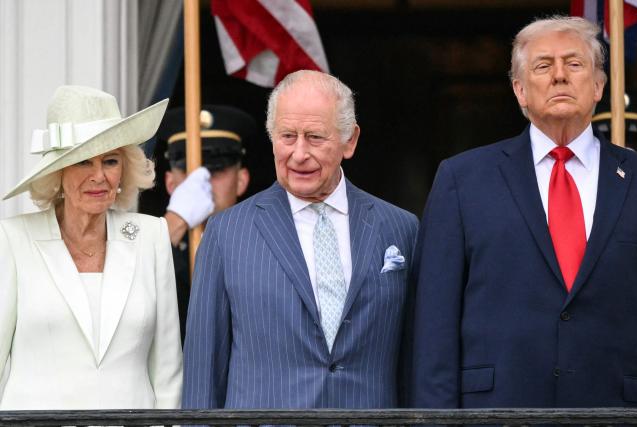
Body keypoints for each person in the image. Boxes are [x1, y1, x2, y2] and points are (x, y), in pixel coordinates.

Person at [410, 15, 637, 409]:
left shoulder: (634, 177)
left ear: (600, 85)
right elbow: (434, 325)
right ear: (519, 90)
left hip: (616, 408)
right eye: (543, 66)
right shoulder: (462, 179)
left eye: (574, 64)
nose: (559, 77)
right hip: (496, 411)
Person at [182, 70, 418, 409]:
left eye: (315, 137)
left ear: (349, 140)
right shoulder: (226, 234)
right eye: (287, 136)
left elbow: (414, 358)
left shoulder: (400, 229)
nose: (299, 153)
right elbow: (205, 372)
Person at [0, 85, 182, 409]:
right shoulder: (12, 239)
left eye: (110, 161)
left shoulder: (151, 236)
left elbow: (168, 372)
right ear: (57, 172)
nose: (99, 176)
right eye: (83, 161)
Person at [153, 106, 253, 340]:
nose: (203, 180)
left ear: (241, 180)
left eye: (216, 169)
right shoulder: (152, 247)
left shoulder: (258, 248)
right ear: (170, 183)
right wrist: (174, 222)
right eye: (188, 169)